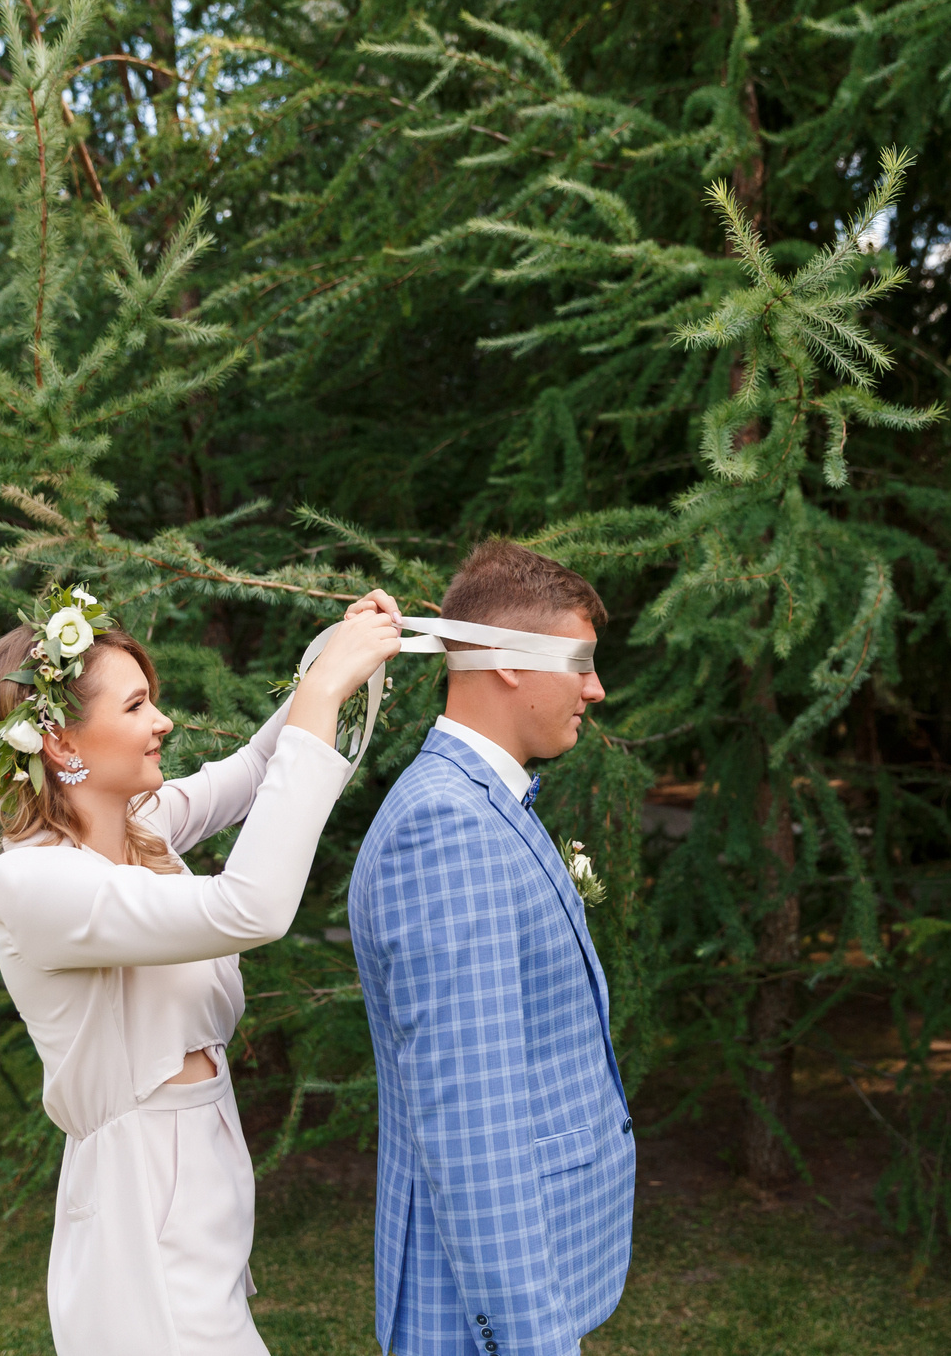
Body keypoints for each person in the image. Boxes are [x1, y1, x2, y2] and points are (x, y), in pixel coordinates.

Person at [0, 585, 402, 1356]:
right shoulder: (33, 886)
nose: (162, 721)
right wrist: (326, 686)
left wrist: (337, 658)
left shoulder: (143, 830)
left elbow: (263, 765)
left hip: (204, 1177)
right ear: (61, 745)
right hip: (139, 1208)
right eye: (136, 707)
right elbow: (251, 907)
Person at [349, 541, 635, 1356]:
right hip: (476, 1305)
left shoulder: (479, 803)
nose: (595, 687)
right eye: (580, 661)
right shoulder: (448, 829)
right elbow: (473, 1125)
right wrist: (530, 1341)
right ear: (509, 663)